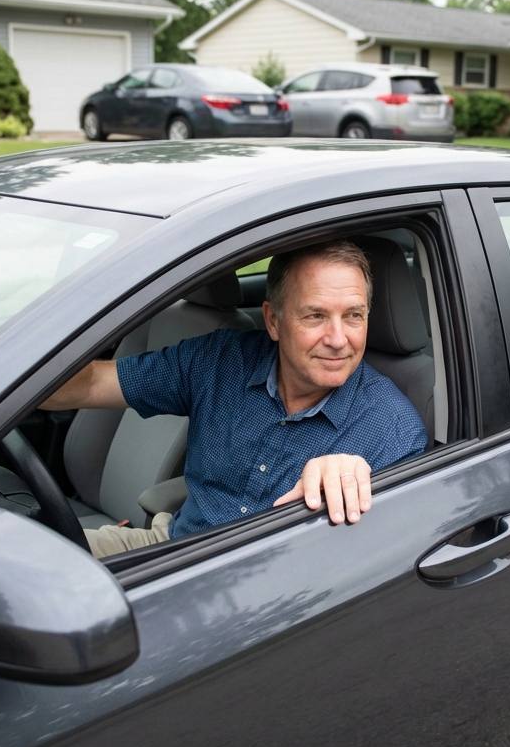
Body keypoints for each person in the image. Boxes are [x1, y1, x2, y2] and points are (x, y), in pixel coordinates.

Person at [41, 239, 428, 558]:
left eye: (354, 316)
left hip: (262, 595)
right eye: (315, 316)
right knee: (28, 560)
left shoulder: (393, 433)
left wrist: (355, 481)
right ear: (273, 321)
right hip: (170, 547)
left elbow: (386, 564)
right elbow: (92, 384)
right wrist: (8, 374)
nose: (339, 339)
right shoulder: (221, 360)